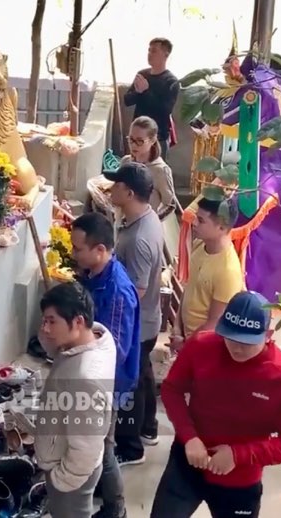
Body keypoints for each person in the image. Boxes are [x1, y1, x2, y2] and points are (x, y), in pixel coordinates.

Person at [151, 291, 281, 518]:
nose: (237, 348)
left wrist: (238, 455)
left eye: (247, 342)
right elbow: (172, 389)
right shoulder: (201, 346)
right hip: (187, 462)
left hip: (240, 480)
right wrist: (189, 437)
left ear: (268, 335)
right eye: (230, 337)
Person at [70, 212, 140, 518]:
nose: (73, 254)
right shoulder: (94, 275)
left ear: (100, 250)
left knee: (102, 446)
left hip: (108, 384)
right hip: (91, 375)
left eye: (77, 249)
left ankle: (116, 507)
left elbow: (115, 349)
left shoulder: (118, 291)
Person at [35, 282, 117, 518]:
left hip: (72, 477)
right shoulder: (96, 337)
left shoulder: (85, 378)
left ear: (79, 322)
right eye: (44, 320)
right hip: (69, 460)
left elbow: (86, 445)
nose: (45, 328)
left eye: (52, 321)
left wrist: (62, 479)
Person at [105, 162, 165, 465]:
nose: (111, 189)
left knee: (129, 383)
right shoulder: (144, 220)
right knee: (142, 376)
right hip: (148, 320)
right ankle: (148, 428)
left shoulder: (140, 237)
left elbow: (136, 292)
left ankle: (130, 448)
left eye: (115, 185)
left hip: (137, 323)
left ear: (128, 193)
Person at [174, 198, 244, 350]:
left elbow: (214, 323)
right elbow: (188, 288)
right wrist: (177, 327)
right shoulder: (199, 245)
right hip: (186, 340)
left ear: (221, 227)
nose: (194, 223)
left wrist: (186, 344)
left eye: (201, 220)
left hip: (205, 347)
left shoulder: (228, 270)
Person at [123, 38, 180, 156]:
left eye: (154, 51)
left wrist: (146, 91)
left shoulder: (171, 81)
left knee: (155, 171)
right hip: (137, 136)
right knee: (135, 170)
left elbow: (165, 110)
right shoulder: (142, 74)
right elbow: (127, 100)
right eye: (149, 50)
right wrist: (138, 93)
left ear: (166, 54)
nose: (149, 54)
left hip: (157, 137)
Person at [121, 116, 177, 219]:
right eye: (131, 140)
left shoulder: (160, 170)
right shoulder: (125, 162)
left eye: (140, 141)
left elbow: (170, 205)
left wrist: (152, 221)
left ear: (152, 140)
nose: (134, 145)